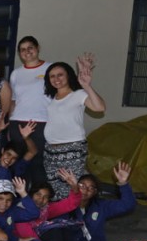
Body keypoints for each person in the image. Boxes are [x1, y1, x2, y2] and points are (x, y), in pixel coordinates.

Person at [43, 54, 106, 200]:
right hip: (51, 151)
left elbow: (99, 108)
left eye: (60, 75)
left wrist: (86, 85)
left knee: (72, 187)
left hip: (73, 149)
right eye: (52, 76)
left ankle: (75, 219)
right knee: (53, 190)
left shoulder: (78, 94)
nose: (56, 79)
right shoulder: (52, 98)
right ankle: (58, 221)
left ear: (69, 76)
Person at [8, 35, 52, 179]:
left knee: (39, 163)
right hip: (18, 123)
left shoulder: (50, 69)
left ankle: (38, 198)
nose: (27, 52)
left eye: (30, 48)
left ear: (37, 48)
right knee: (19, 163)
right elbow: (13, 101)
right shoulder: (16, 73)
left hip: (41, 122)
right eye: (22, 50)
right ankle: (20, 197)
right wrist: (9, 125)